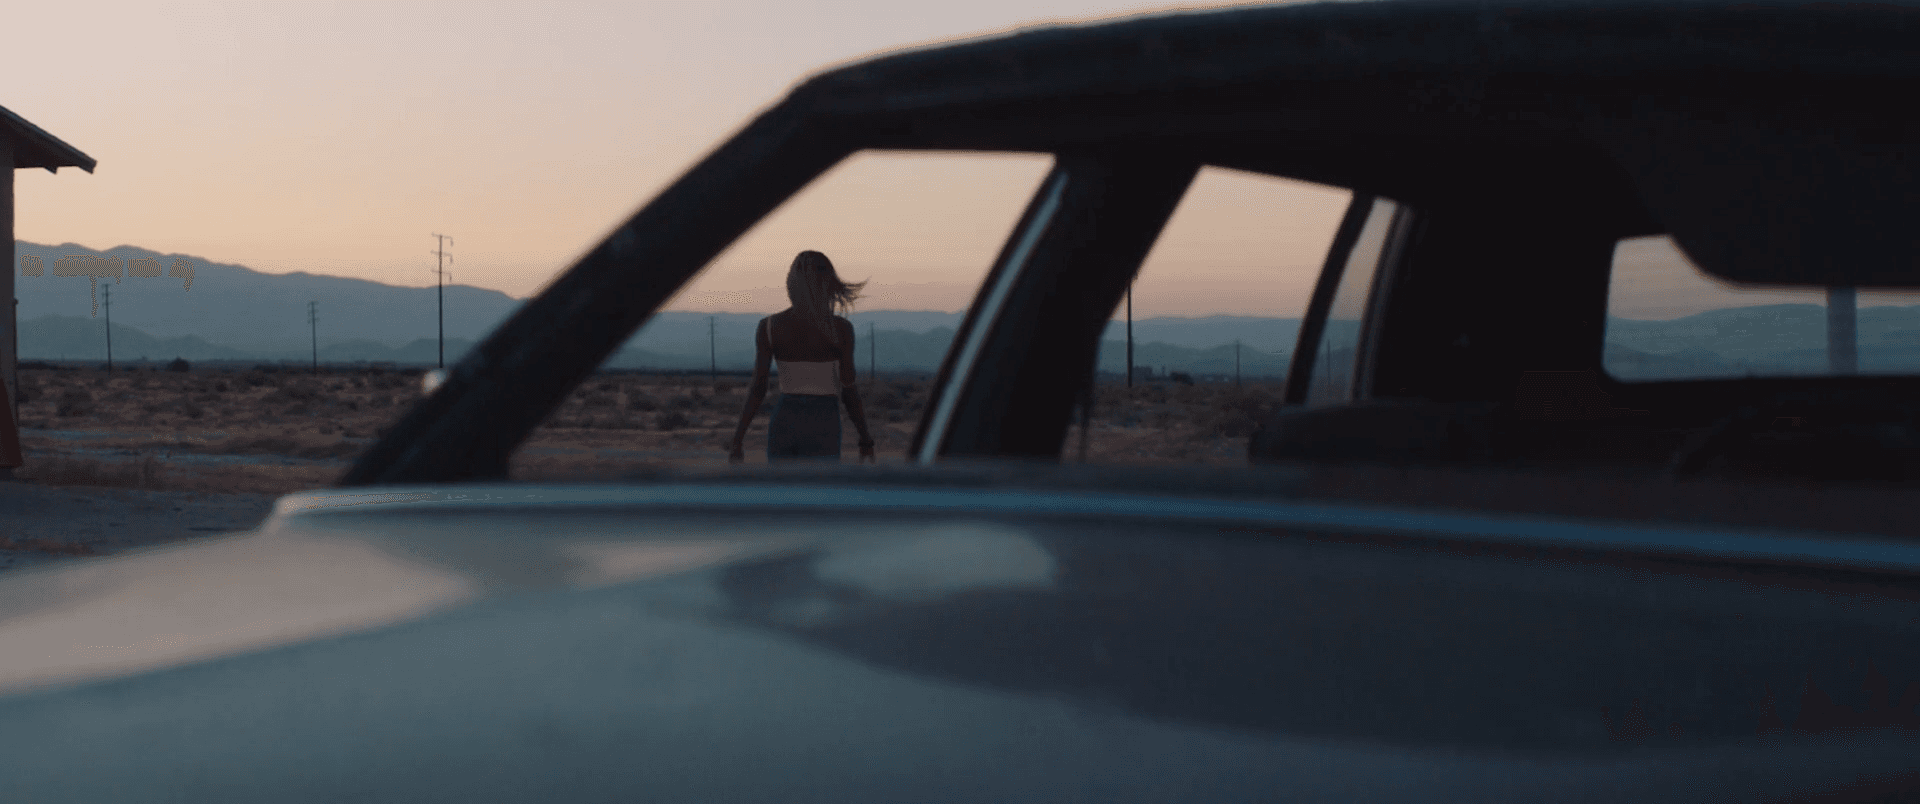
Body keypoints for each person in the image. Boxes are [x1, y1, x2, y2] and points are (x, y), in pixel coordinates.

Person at [728, 251, 877, 464]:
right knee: (820, 492)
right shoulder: (841, 330)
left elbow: (757, 388)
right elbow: (849, 391)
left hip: (785, 417)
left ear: (792, 284)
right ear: (828, 283)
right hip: (824, 420)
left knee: (783, 492)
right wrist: (865, 439)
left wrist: (738, 439)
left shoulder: (770, 327)